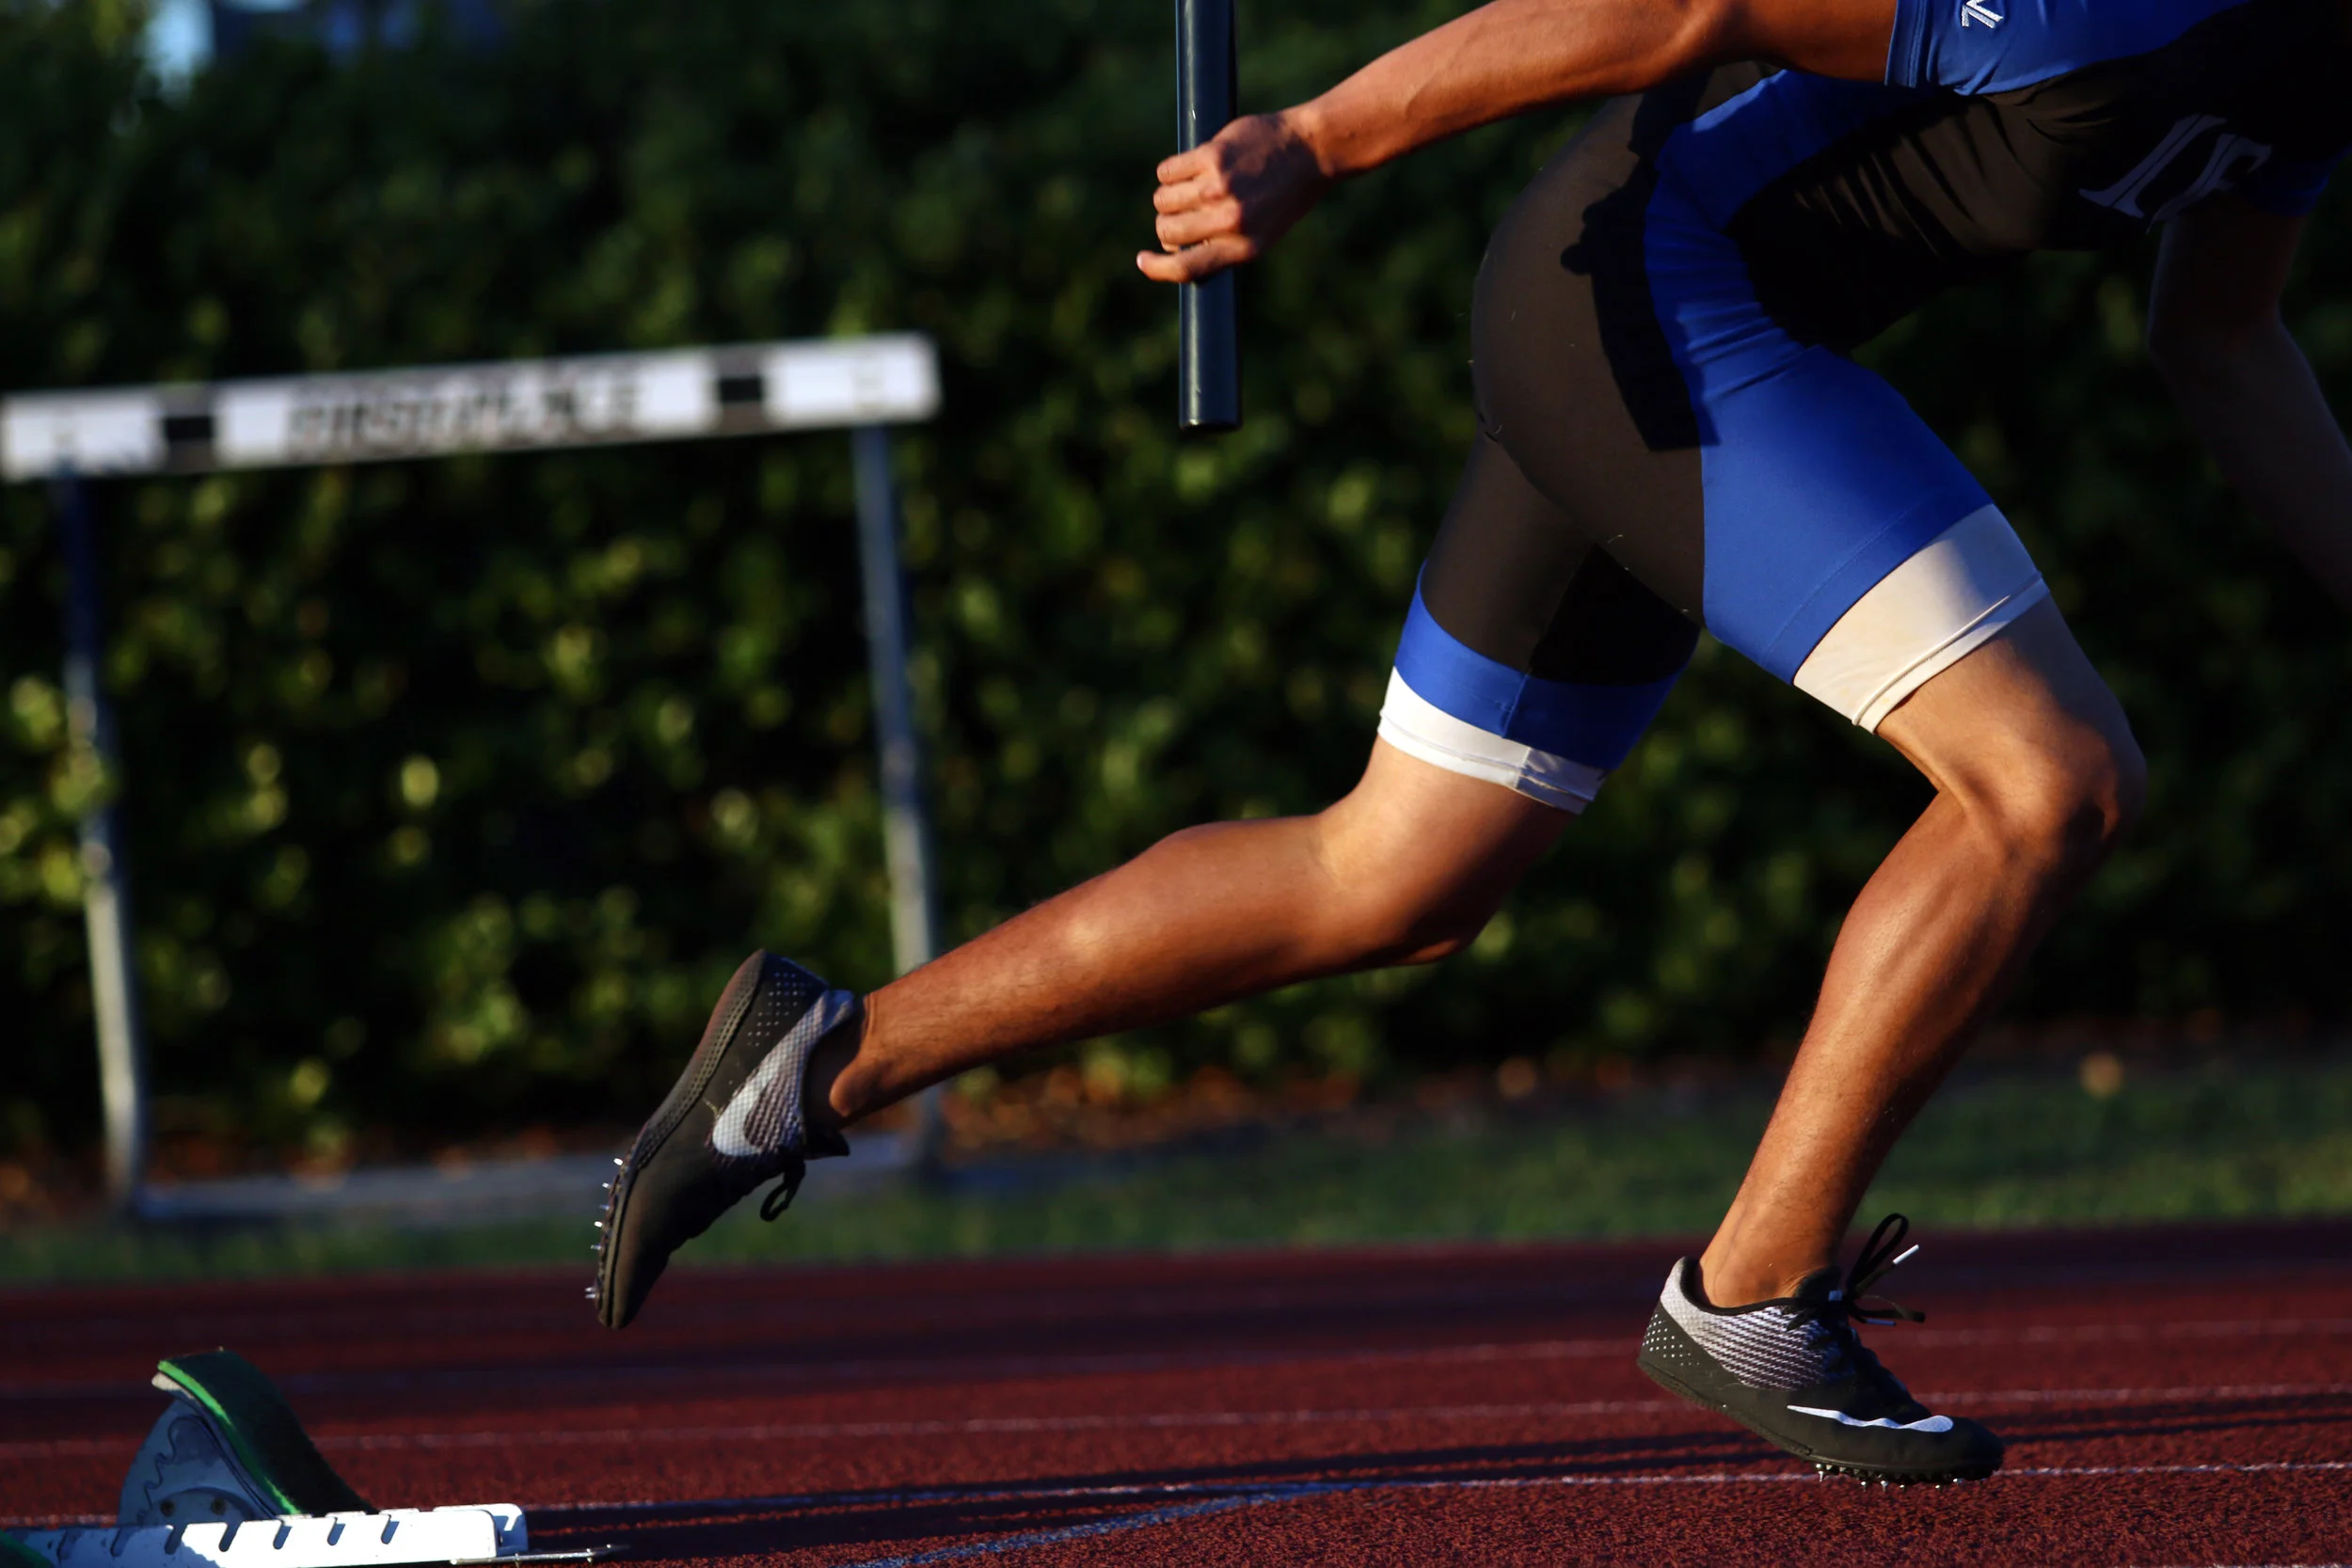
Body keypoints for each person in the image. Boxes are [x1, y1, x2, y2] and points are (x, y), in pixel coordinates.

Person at [591, 0, 2352, 1485]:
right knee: (2046, 778)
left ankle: (816, 1061)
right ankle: (1752, 1288)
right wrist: (1321, 140)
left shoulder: (2312, 63)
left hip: (1668, 324)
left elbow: (2222, 338)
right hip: (1651, 296)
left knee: (1399, 872)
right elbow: (1689, 8)